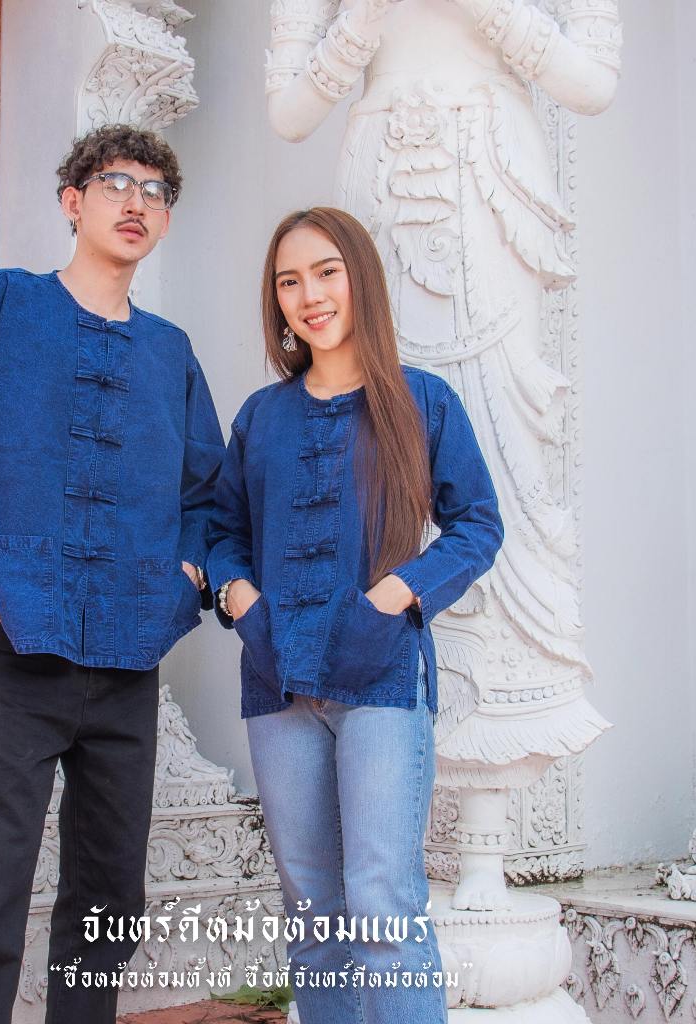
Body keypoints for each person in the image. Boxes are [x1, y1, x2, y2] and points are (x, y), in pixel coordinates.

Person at [0, 124, 225, 1024]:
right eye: (116, 183)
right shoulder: (3, 304)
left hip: (129, 658)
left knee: (109, 901)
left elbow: (210, 491)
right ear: (73, 202)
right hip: (16, 645)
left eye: (155, 191)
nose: (137, 202)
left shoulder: (172, 352)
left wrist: (185, 573)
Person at [206, 207, 504, 1024]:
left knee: (381, 905)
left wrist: (398, 591)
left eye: (326, 272)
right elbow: (222, 533)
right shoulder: (260, 417)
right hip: (277, 686)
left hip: (379, 680)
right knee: (312, 914)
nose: (309, 295)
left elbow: (478, 524)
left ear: (360, 278)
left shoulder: (421, 400)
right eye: (289, 281)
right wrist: (240, 598)